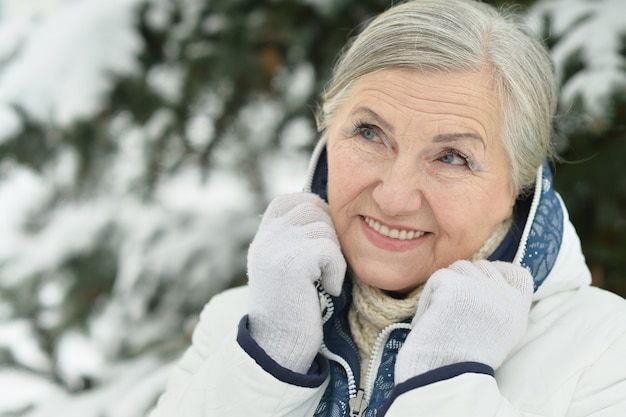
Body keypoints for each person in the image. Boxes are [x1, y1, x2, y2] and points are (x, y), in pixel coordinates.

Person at [150, 0, 626, 416]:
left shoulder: (604, 350)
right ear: (327, 136)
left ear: (517, 187)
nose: (394, 197)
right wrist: (270, 361)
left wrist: (448, 388)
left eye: (452, 157)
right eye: (370, 133)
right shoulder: (240, 325)